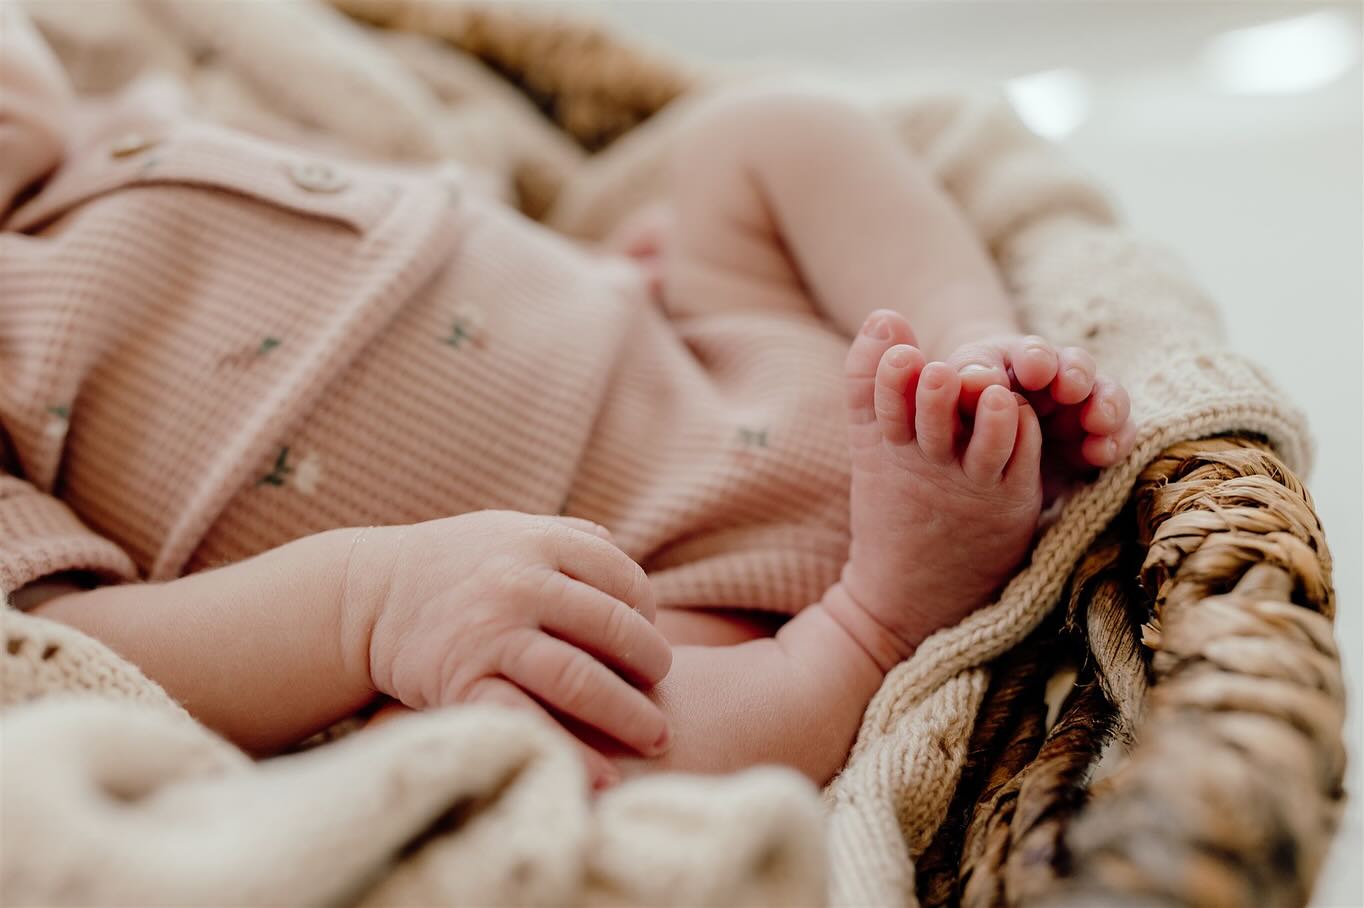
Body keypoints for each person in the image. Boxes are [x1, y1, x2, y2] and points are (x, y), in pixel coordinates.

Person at [0, 8, 1133, 789]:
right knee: (509, 744)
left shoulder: (137, 108)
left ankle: (962, 350)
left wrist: (578, 259)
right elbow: (61, 648)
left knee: (768, 131)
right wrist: (370, 605)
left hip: (712, 335)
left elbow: (419, 192)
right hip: (655, 589)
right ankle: (870, 630)